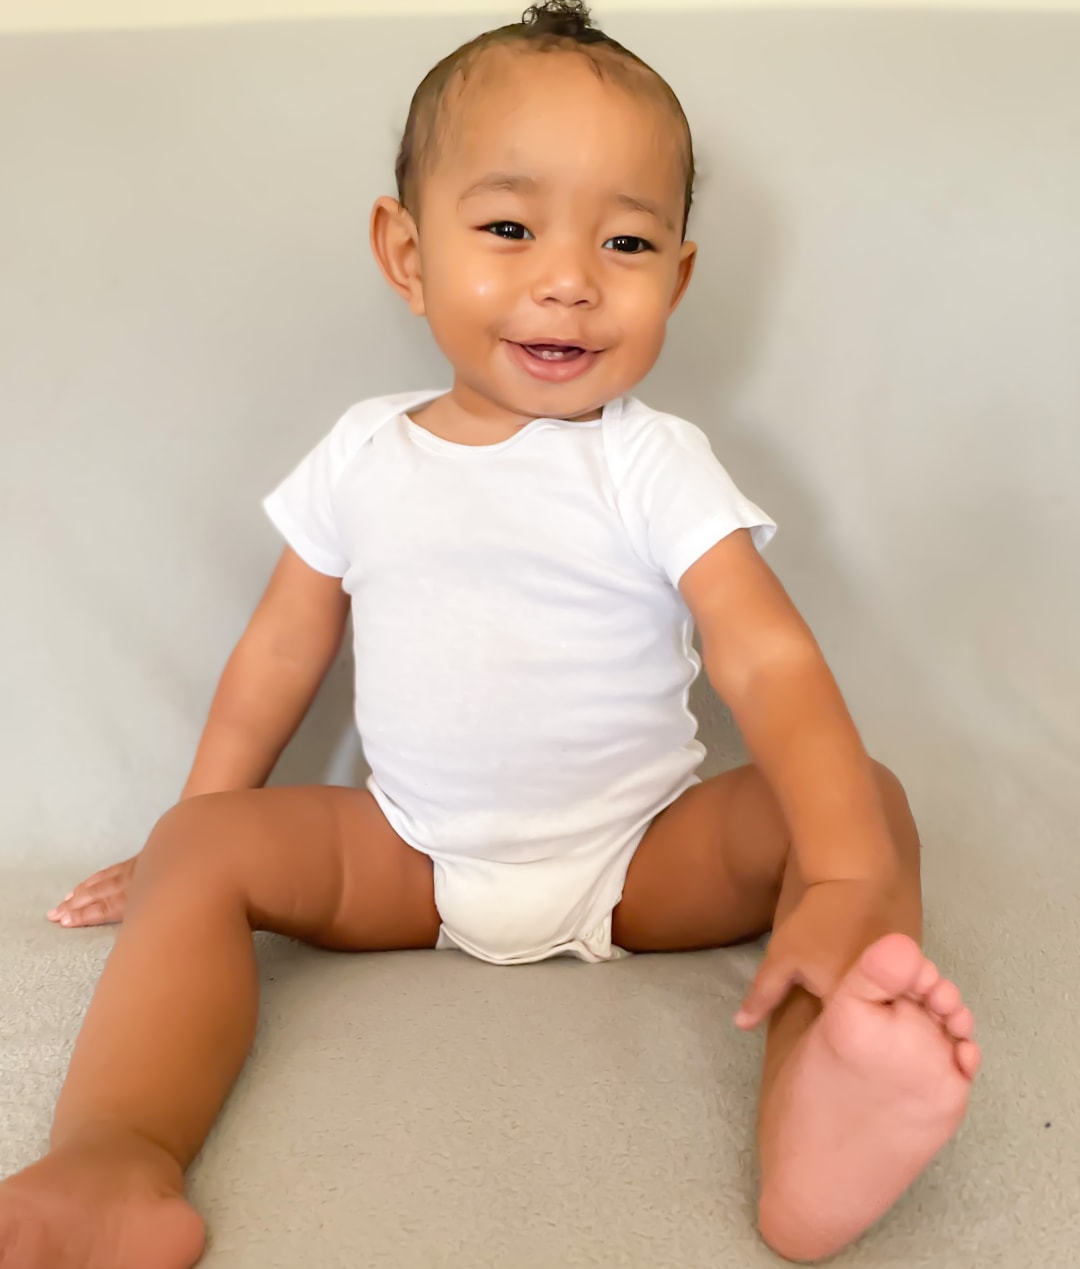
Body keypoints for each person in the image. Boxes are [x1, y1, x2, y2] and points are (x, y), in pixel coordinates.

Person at [1, 2, 978, 1265]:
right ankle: (113, 1157)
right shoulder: (362, 453)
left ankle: (816, 1117)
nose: (569, 278)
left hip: (644, 855)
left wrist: (840, 876)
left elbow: (766, 656)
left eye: (626, 241)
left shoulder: (652, 462)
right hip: (408, 857)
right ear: (406, 253)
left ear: (678, 278)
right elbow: (279, 655)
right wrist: (186, 833)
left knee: (861, 809)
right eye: (511, 228)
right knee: (203, 841)